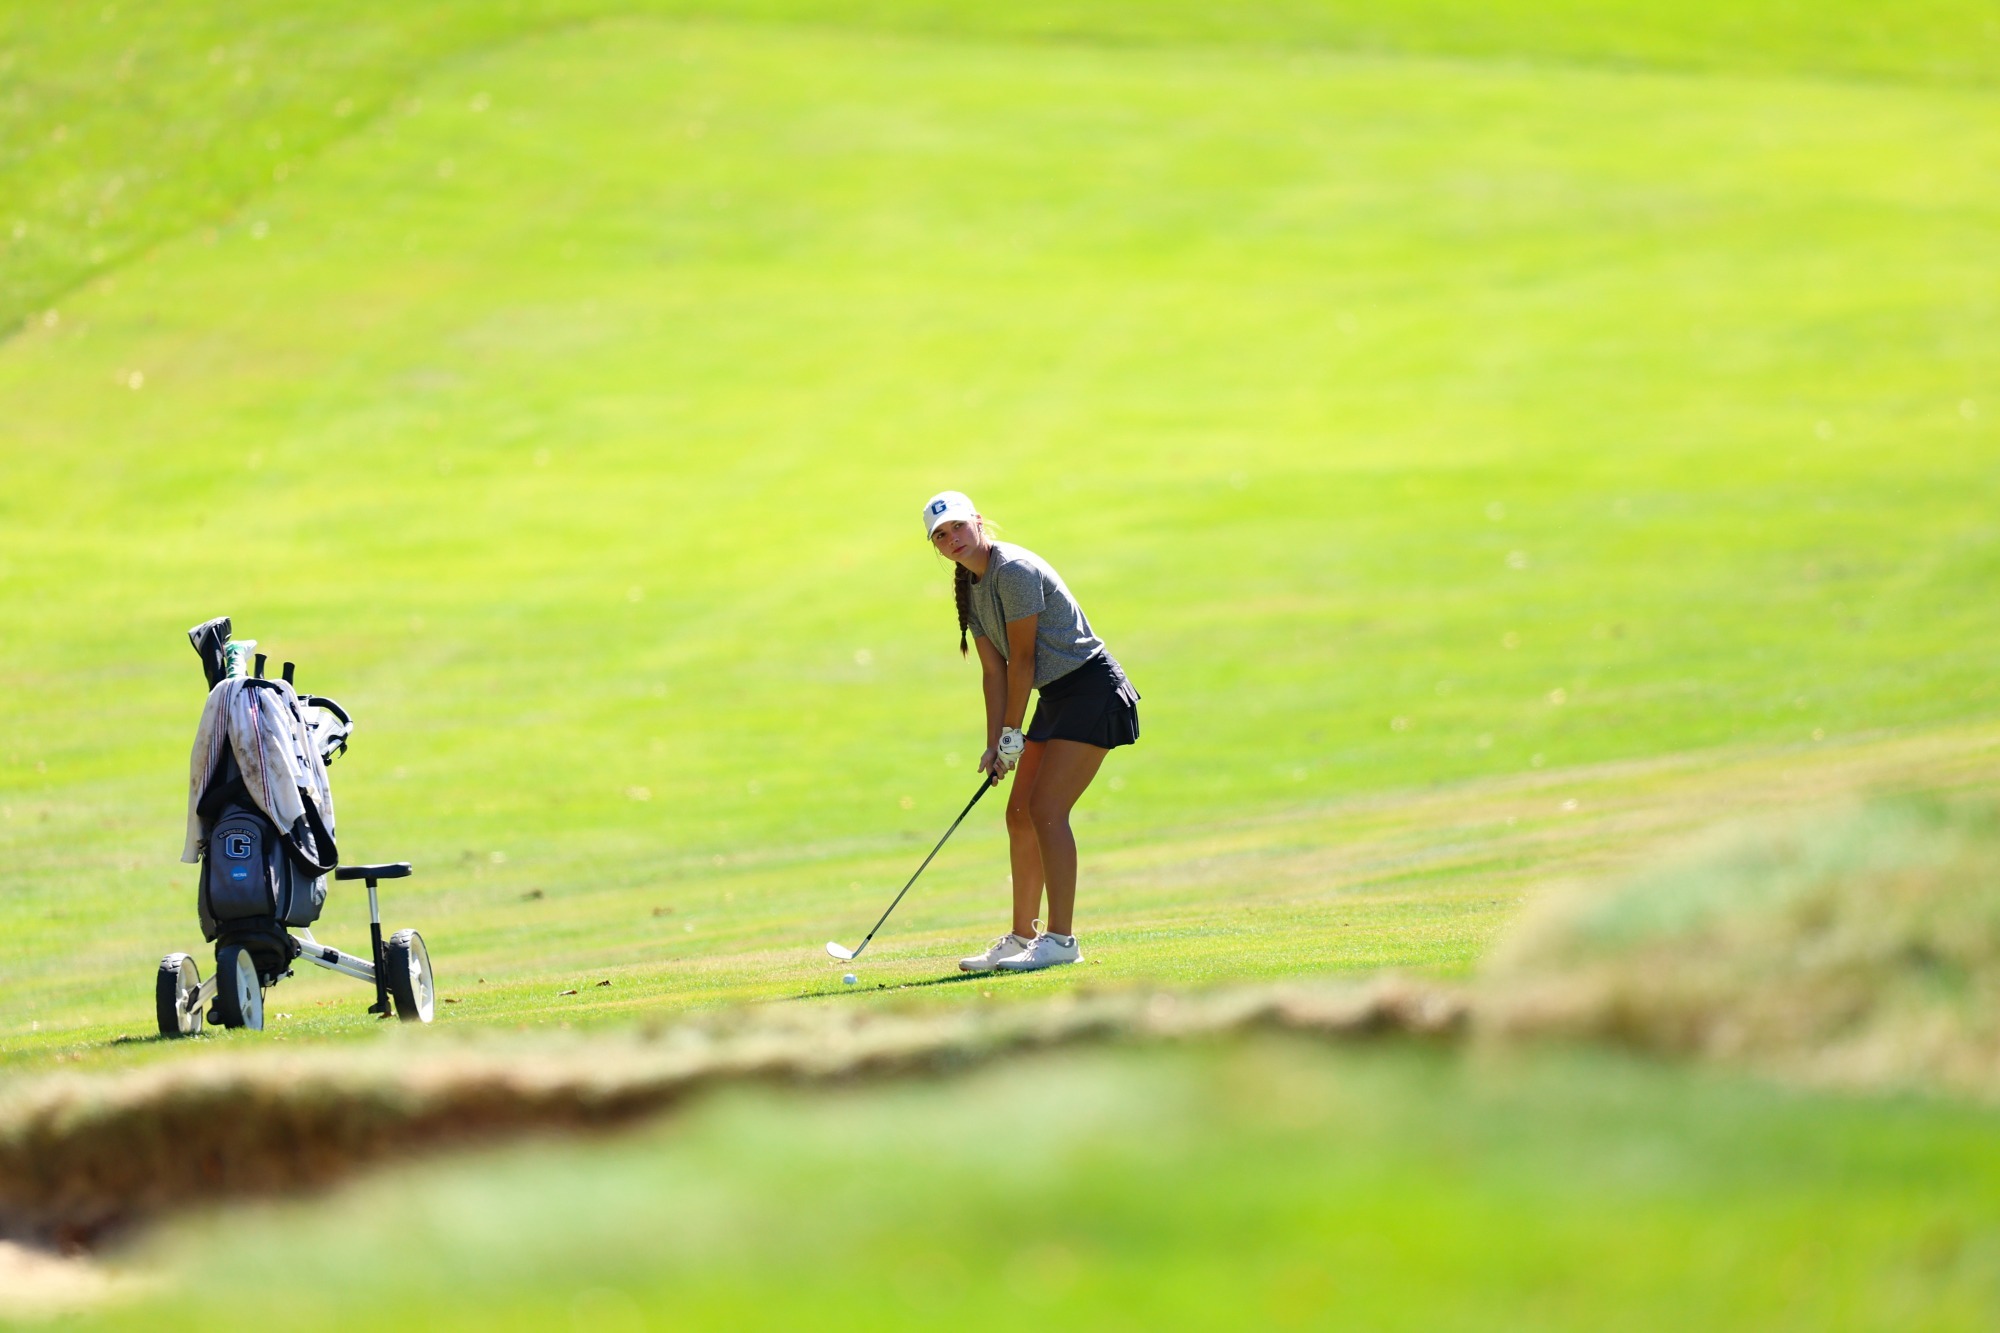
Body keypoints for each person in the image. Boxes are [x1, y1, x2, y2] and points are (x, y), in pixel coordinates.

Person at [920, 491, 1140, 974]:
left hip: (1091, 689)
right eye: (940, 535)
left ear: (977, 522)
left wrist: (1012, 735)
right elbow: (993, 672)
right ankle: (1023, 936)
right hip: (1056, 697)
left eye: (957, 526)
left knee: (1045, 810)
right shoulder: (972, 586)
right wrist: (995, 744)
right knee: (1019, 813)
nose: (951, 538)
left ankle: (1061, 940)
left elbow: (1023, 661)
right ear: (935, 546)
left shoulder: (1013, 570)